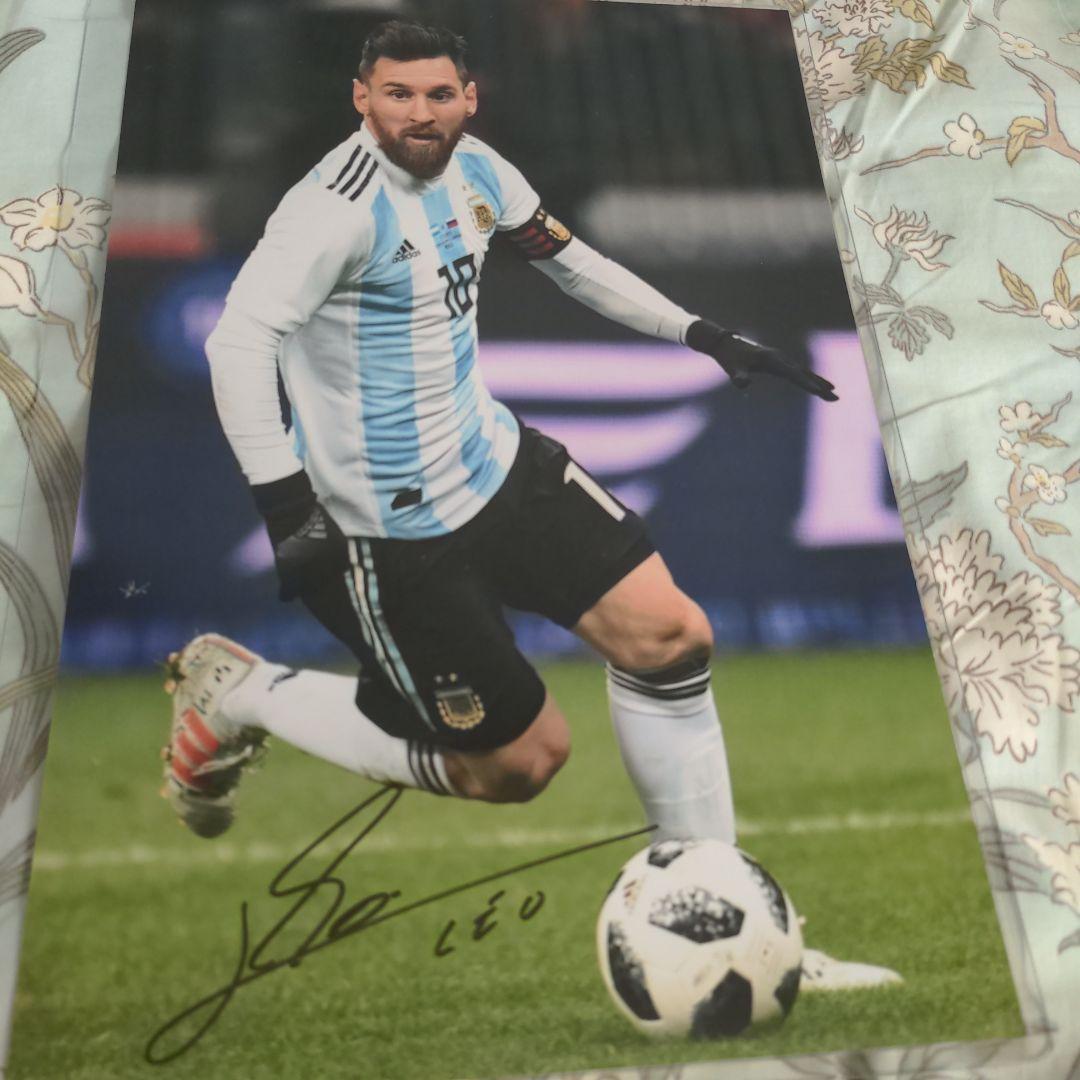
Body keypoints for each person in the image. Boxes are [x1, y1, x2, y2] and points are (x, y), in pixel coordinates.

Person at [163, 20, 897, 991]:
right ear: (361, 99)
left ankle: (735, 928)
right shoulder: (329, 212)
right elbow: (237, 344)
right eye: (396, 94)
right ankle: (243, 692)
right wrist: (284, 503)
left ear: (469, 98)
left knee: (671, 638)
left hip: (499, 467)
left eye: (438, 95)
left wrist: (701, 333)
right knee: (517, 766)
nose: (419, 114)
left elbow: (569, 261)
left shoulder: (479, 171)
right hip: (391, 528)